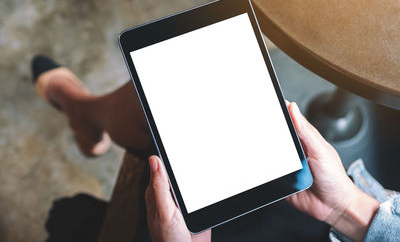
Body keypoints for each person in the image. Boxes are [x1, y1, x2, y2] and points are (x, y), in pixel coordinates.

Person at [32, 55, 400, 241]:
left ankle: (79, 110)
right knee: (179, 99)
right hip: (334, 228)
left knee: (163, 146)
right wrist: (349, 208)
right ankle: (84, 112)